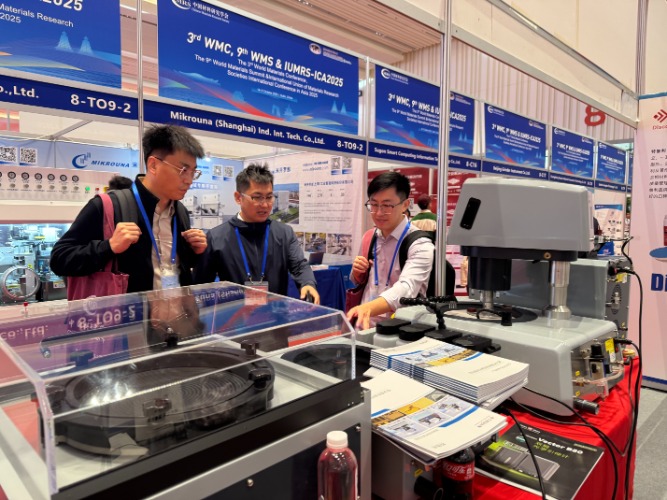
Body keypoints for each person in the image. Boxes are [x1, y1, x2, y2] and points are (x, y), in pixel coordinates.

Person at [50, 124, 208, 294]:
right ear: (153, 165)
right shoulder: (108, 206)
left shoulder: (180, 211)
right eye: (183, 170)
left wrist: (194, 252)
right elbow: (59, 259)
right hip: (129, 310)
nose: (189, 180)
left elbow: (174, 266)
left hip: (177, 308)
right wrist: (109, 246)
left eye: (193, 172)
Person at [194, 163, 320, 304]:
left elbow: (299, 265)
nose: (265, 205)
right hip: (234, 315)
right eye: (257, 197)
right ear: (238, 197)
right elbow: (202, 286)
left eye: (269, 197)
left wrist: (307, 283)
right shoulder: (217, 237)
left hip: (276, 313)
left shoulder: (284, 233)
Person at [347, 172, 434, 329]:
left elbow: (407, 288)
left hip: (400, 329)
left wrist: (368, 308)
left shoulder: (420, 244)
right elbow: (358, 281)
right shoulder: (369, 237)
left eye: (387, 206)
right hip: (364, 325)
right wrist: (357, 273)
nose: (379, 213)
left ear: (405, 205)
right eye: (374, 204)